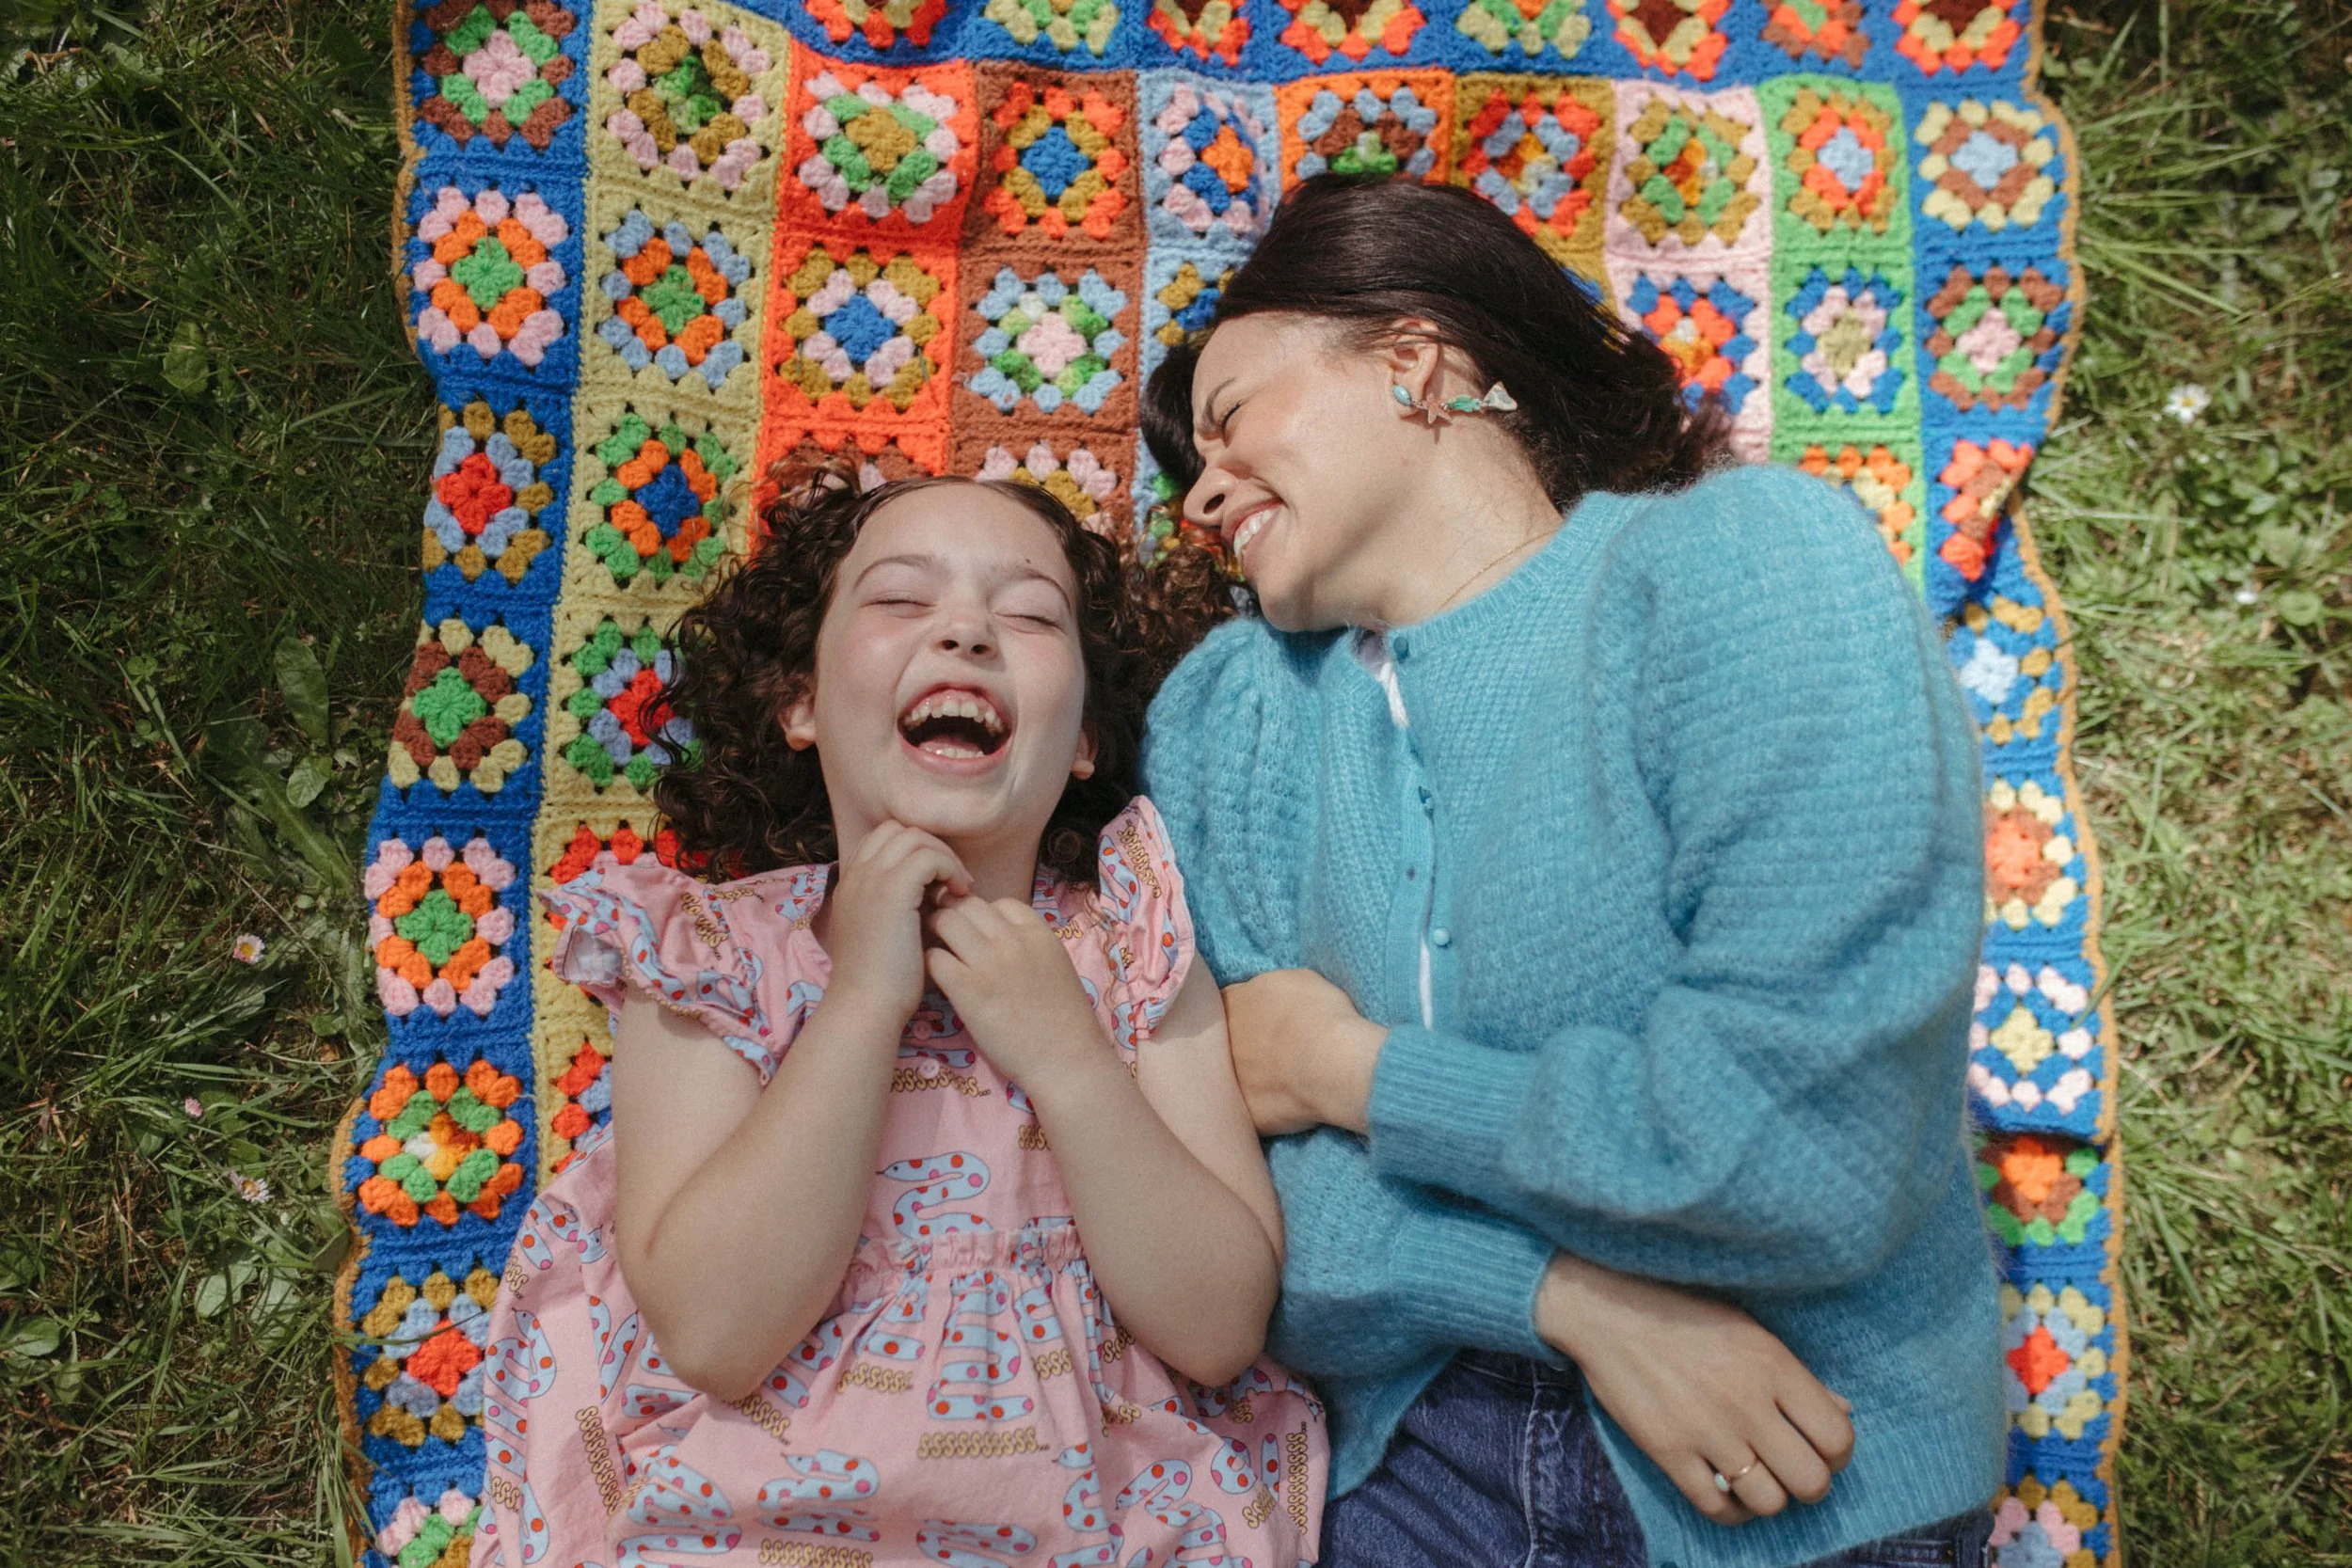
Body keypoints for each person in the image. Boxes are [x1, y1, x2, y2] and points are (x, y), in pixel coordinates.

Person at [1138, 174, 2004, 1568]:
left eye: (1231, 416)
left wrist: (1352, 1071)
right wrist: (1567, 1298)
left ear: (1417, 361)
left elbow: (1799, 1150)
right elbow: (1230, 1206)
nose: (1201, 494)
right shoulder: (1228, 722)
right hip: (1415, 1476)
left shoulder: (1746, 570)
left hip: (1809, 1463)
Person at [468, 468, 1326, 1568]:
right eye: (900, 598)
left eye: (1030, 614)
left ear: (1083, 739)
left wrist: (1069, 1059)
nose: (965, 630)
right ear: (801, 702)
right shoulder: (710, 956)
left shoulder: (1134, 953)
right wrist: (862, 1002)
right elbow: (715, 1334)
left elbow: (1218, 1328)